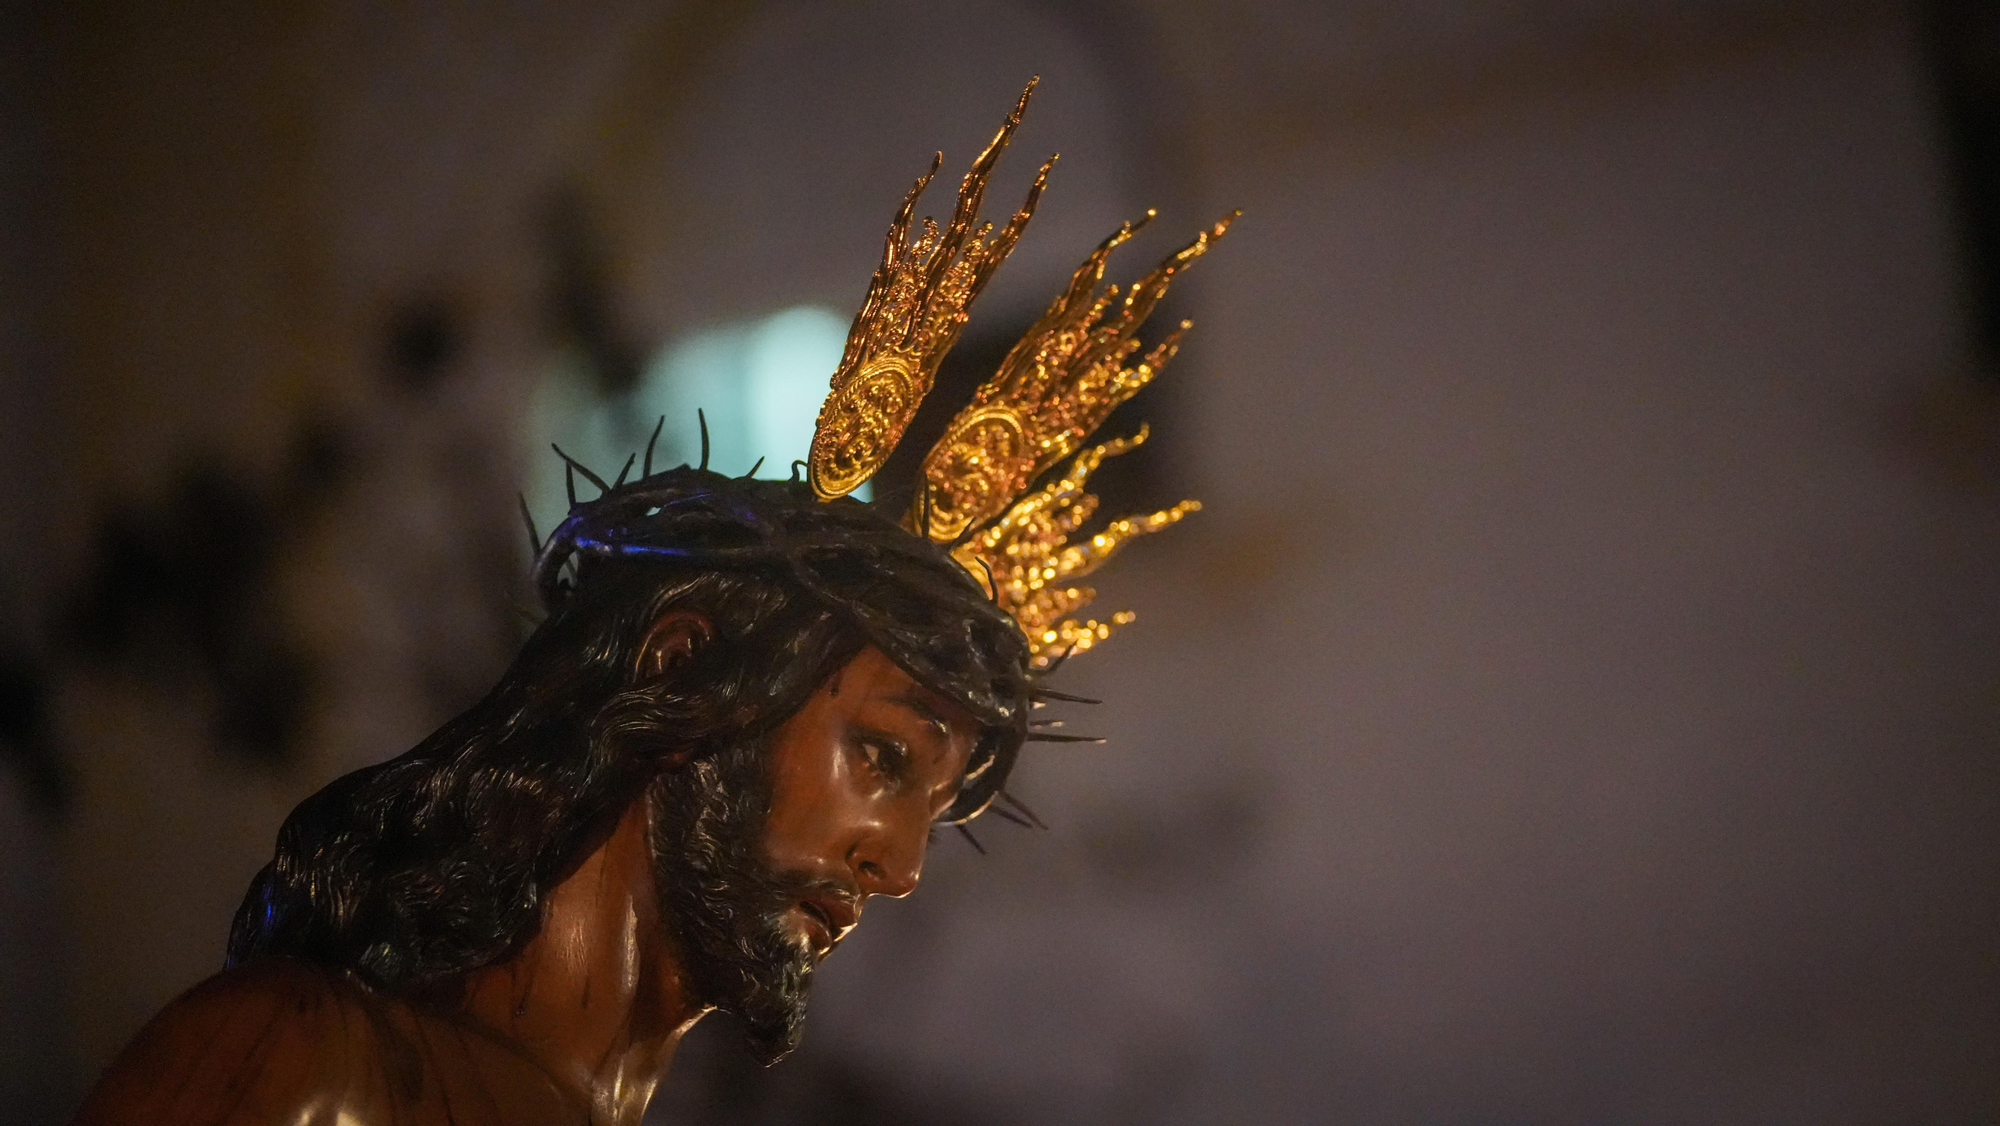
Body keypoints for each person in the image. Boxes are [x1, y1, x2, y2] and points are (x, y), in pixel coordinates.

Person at [71, 81, 1228, 1126]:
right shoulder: (310, 1068)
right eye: (880, 755)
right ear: (679, 666)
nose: (901, 865)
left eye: (934, 807)